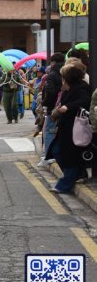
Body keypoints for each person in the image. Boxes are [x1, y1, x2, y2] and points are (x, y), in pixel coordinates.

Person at [45, 62, 91, 193]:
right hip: (66, 127)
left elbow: (84, 101)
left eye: (64, 76)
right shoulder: (68, 88)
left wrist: (68, 107)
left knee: (69, 156)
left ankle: (64, 185)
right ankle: (76, 174)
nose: (62, 78)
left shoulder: (81, 88)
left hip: (75, 127)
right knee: (57, 151)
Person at [38, 53, 65, 167]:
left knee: (49, 131)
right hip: (64, 106)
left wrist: (44, 103)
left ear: (53, 62)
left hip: (53, 108)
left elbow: (50, 92)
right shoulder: (65, 72)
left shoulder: (52, 74)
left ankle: (49, 156)